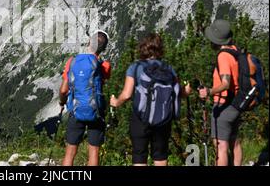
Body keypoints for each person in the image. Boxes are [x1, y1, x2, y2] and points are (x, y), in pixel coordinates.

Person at [110, 33, 191, 166]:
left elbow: (127, 94)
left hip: (140, 118)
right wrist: (187, 91)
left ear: (142, 48)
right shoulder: (168, 69)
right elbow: (178, 92)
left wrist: (116, 102)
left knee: (139, 156)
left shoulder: (135, 67)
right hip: (163, 118)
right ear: (160, 49)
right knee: (160, 157)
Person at [59, 30, 111, 166]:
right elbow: (102, 81)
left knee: (70, 152)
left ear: (89, 42)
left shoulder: (72, 61)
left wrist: (62, 102)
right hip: (96, 111)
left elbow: (64, 90)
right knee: (94, 151)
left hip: (76, 109)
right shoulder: (105, 66)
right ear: (104, 48)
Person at [198, 19, 242, 166]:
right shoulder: (236, 51)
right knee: (234, 141)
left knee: (221, 146)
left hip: (224, 105)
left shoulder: (223, 56)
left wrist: (209, 91)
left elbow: (225, 83)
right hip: (236, 104)